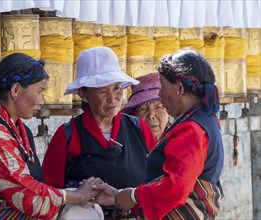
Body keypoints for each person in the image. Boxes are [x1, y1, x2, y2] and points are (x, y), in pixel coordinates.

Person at [93, 49, 225, 220]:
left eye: (162, 86)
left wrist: (134, 196)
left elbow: (176, 187)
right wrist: (119, 196)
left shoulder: (192, 129)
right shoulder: (204, 120)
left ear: (179, 88)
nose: (160, 94)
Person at [0, 53, 102, 219]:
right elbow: (25, 193)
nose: (42, 101)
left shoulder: (21, 131)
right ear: (15, 90)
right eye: (39, 91)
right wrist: (78, 196)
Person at [42, 47, 157, 218]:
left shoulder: (138, 128)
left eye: (117, 88)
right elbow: (50, 192)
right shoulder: (67, 135)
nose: (113, 99)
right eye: (103, 91)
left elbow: (157, 180)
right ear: (83, 93)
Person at [121, 72, 171, 142]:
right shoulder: (127, 144)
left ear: (169, 113)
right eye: (143, 108)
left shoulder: (180, 141)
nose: (151, 115)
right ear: (134, 115)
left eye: (158, 107)